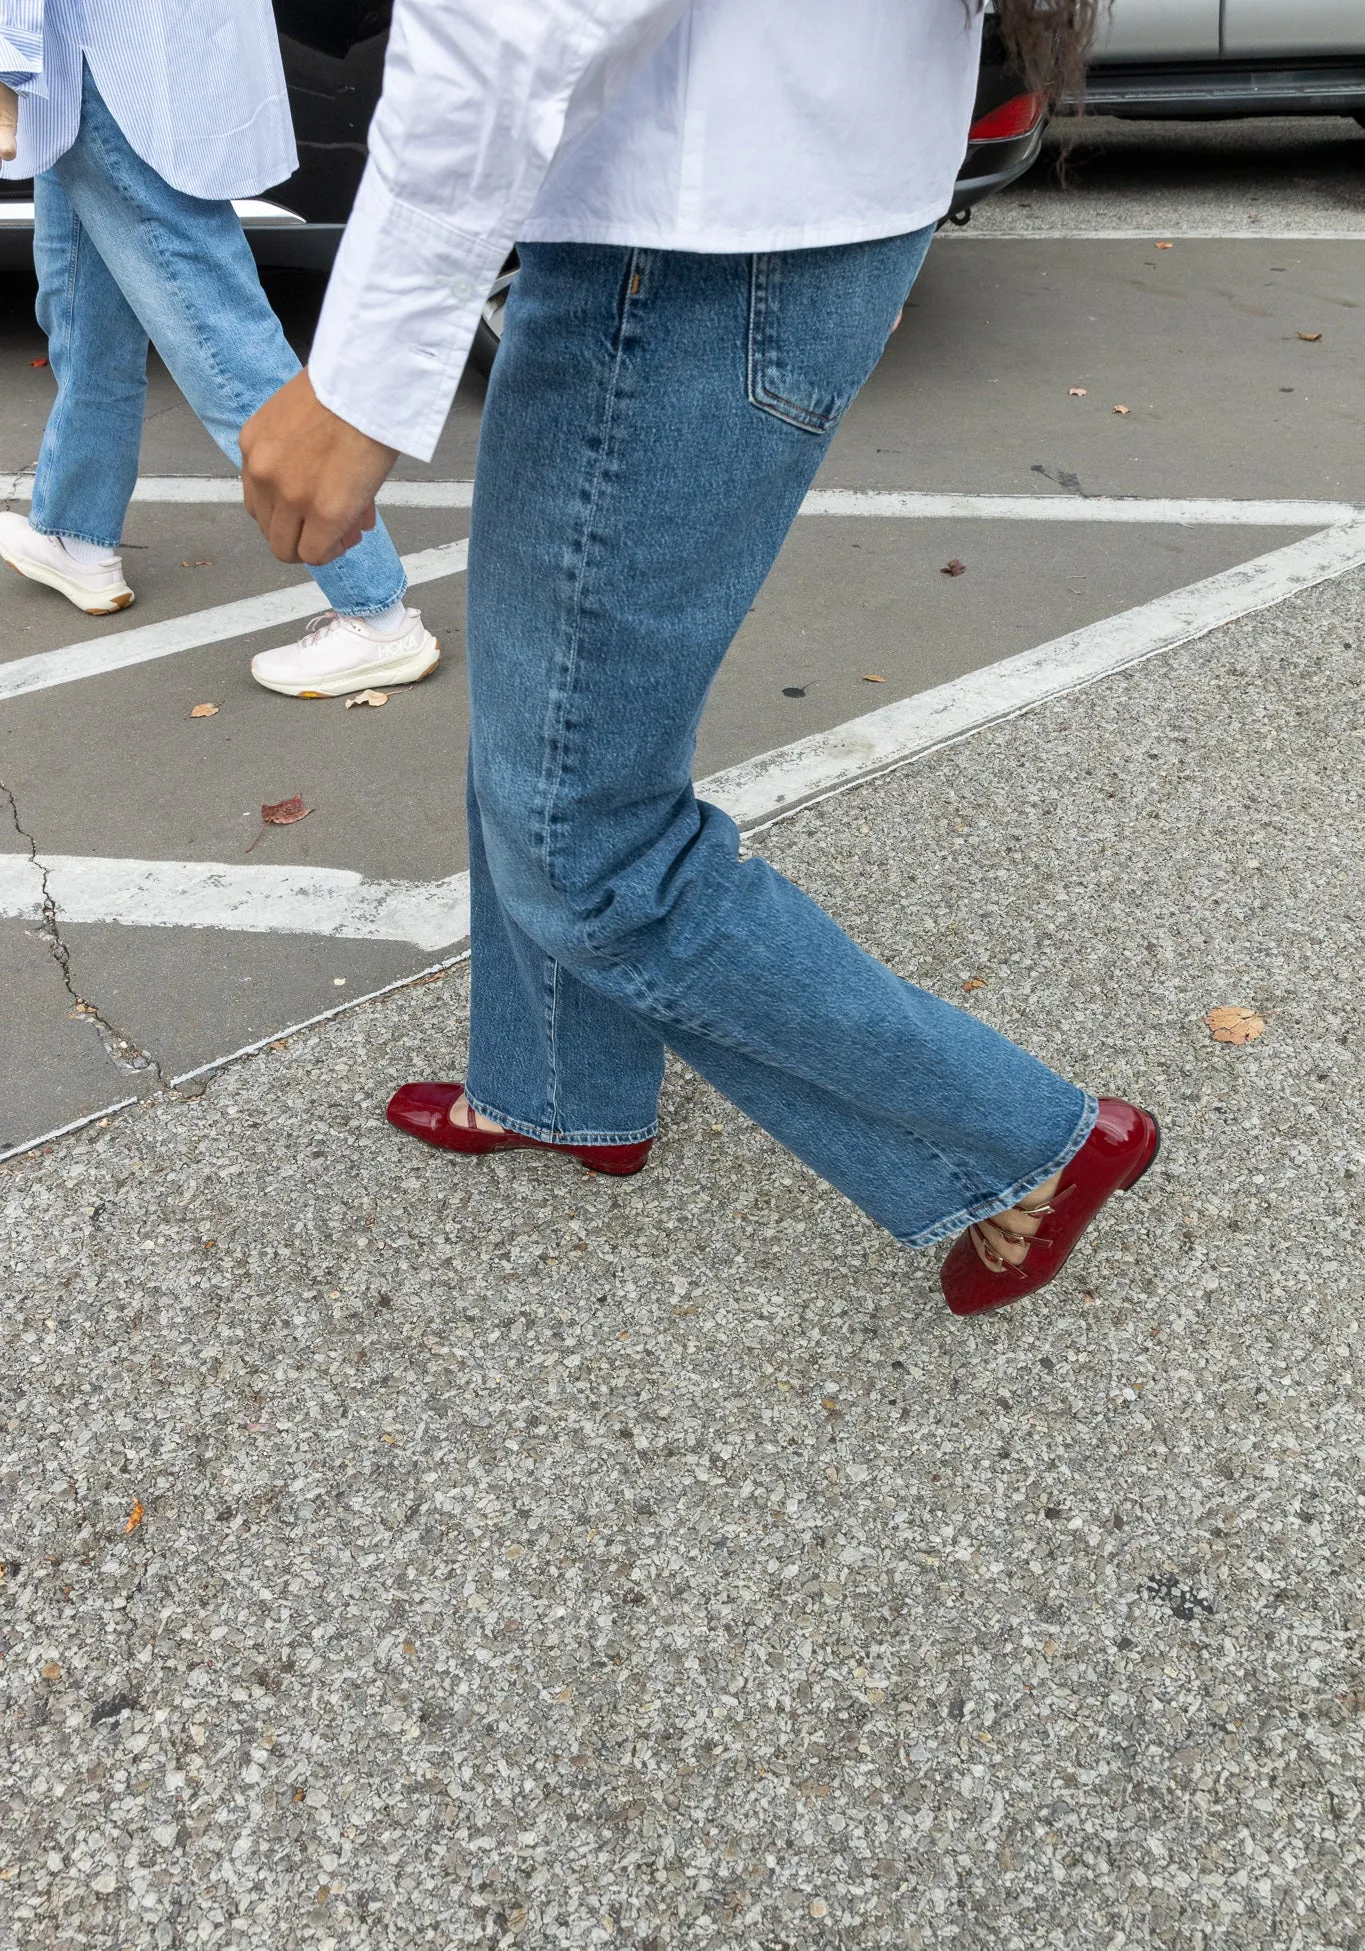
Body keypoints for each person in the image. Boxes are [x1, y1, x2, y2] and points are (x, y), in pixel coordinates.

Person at [240, 0, 1159, 1317]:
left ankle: (1020, 1141)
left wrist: (362, 370)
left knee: (586, 839)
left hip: (684, 241)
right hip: (760, 196)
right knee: (545, 703)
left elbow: (520, 13)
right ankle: (559, 1087)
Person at [0, 1, 439, 699]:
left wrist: (6, 54)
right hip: (129, 53)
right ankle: (73, 534)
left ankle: (376, 614)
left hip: (101, 60)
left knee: (215, 334)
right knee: (83, 309)